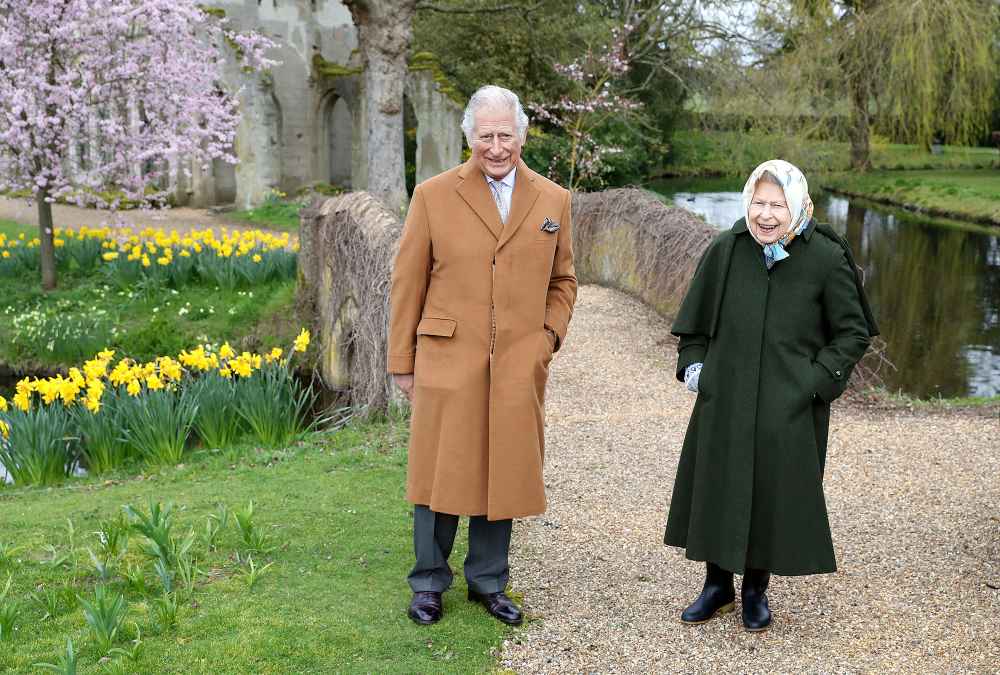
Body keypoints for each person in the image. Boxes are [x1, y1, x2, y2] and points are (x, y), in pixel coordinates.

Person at [388, 84, 577, 626]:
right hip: (448, 359)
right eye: (486, 136)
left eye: (506, 135)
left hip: (519, 362)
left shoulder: (553, 200)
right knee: (438, 475)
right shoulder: (433, 195)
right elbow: (407, 282)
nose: (497, 147)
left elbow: (564, 280)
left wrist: (546, 340)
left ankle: (488, 582)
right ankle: (428, 583)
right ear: (469, 137)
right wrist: (403, 360)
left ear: (522, 135)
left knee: (505, 471)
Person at [664, 159, 878, 632]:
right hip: (725, 400)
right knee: (718, 486)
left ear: (799, 205)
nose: (765, 215)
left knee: (769, 493)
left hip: (789, 406)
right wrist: (697, 371)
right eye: (758, 203)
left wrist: (813, 383)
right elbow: (693, 327)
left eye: (776, 205)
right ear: (747, 202)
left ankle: (755, 590)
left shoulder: (826, 257)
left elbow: (852, 333)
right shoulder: (726, 249)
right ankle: (716, 586)